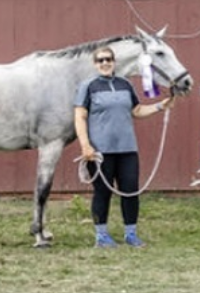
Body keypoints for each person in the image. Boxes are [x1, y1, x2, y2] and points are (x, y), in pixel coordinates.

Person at [74, 45, 176, 248]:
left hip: (127, 149)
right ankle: (101, 236)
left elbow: (136, 110)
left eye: (108, 59)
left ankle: (131, 234)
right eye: (101, 60)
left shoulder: (125, 84)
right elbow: (80, 116)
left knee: (131, 191)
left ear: (114, 62)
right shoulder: (88, 86)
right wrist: (85, 145)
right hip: (100, 151)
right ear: (95, 64)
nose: (105, 63)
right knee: (102, 192)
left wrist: (160, 106)